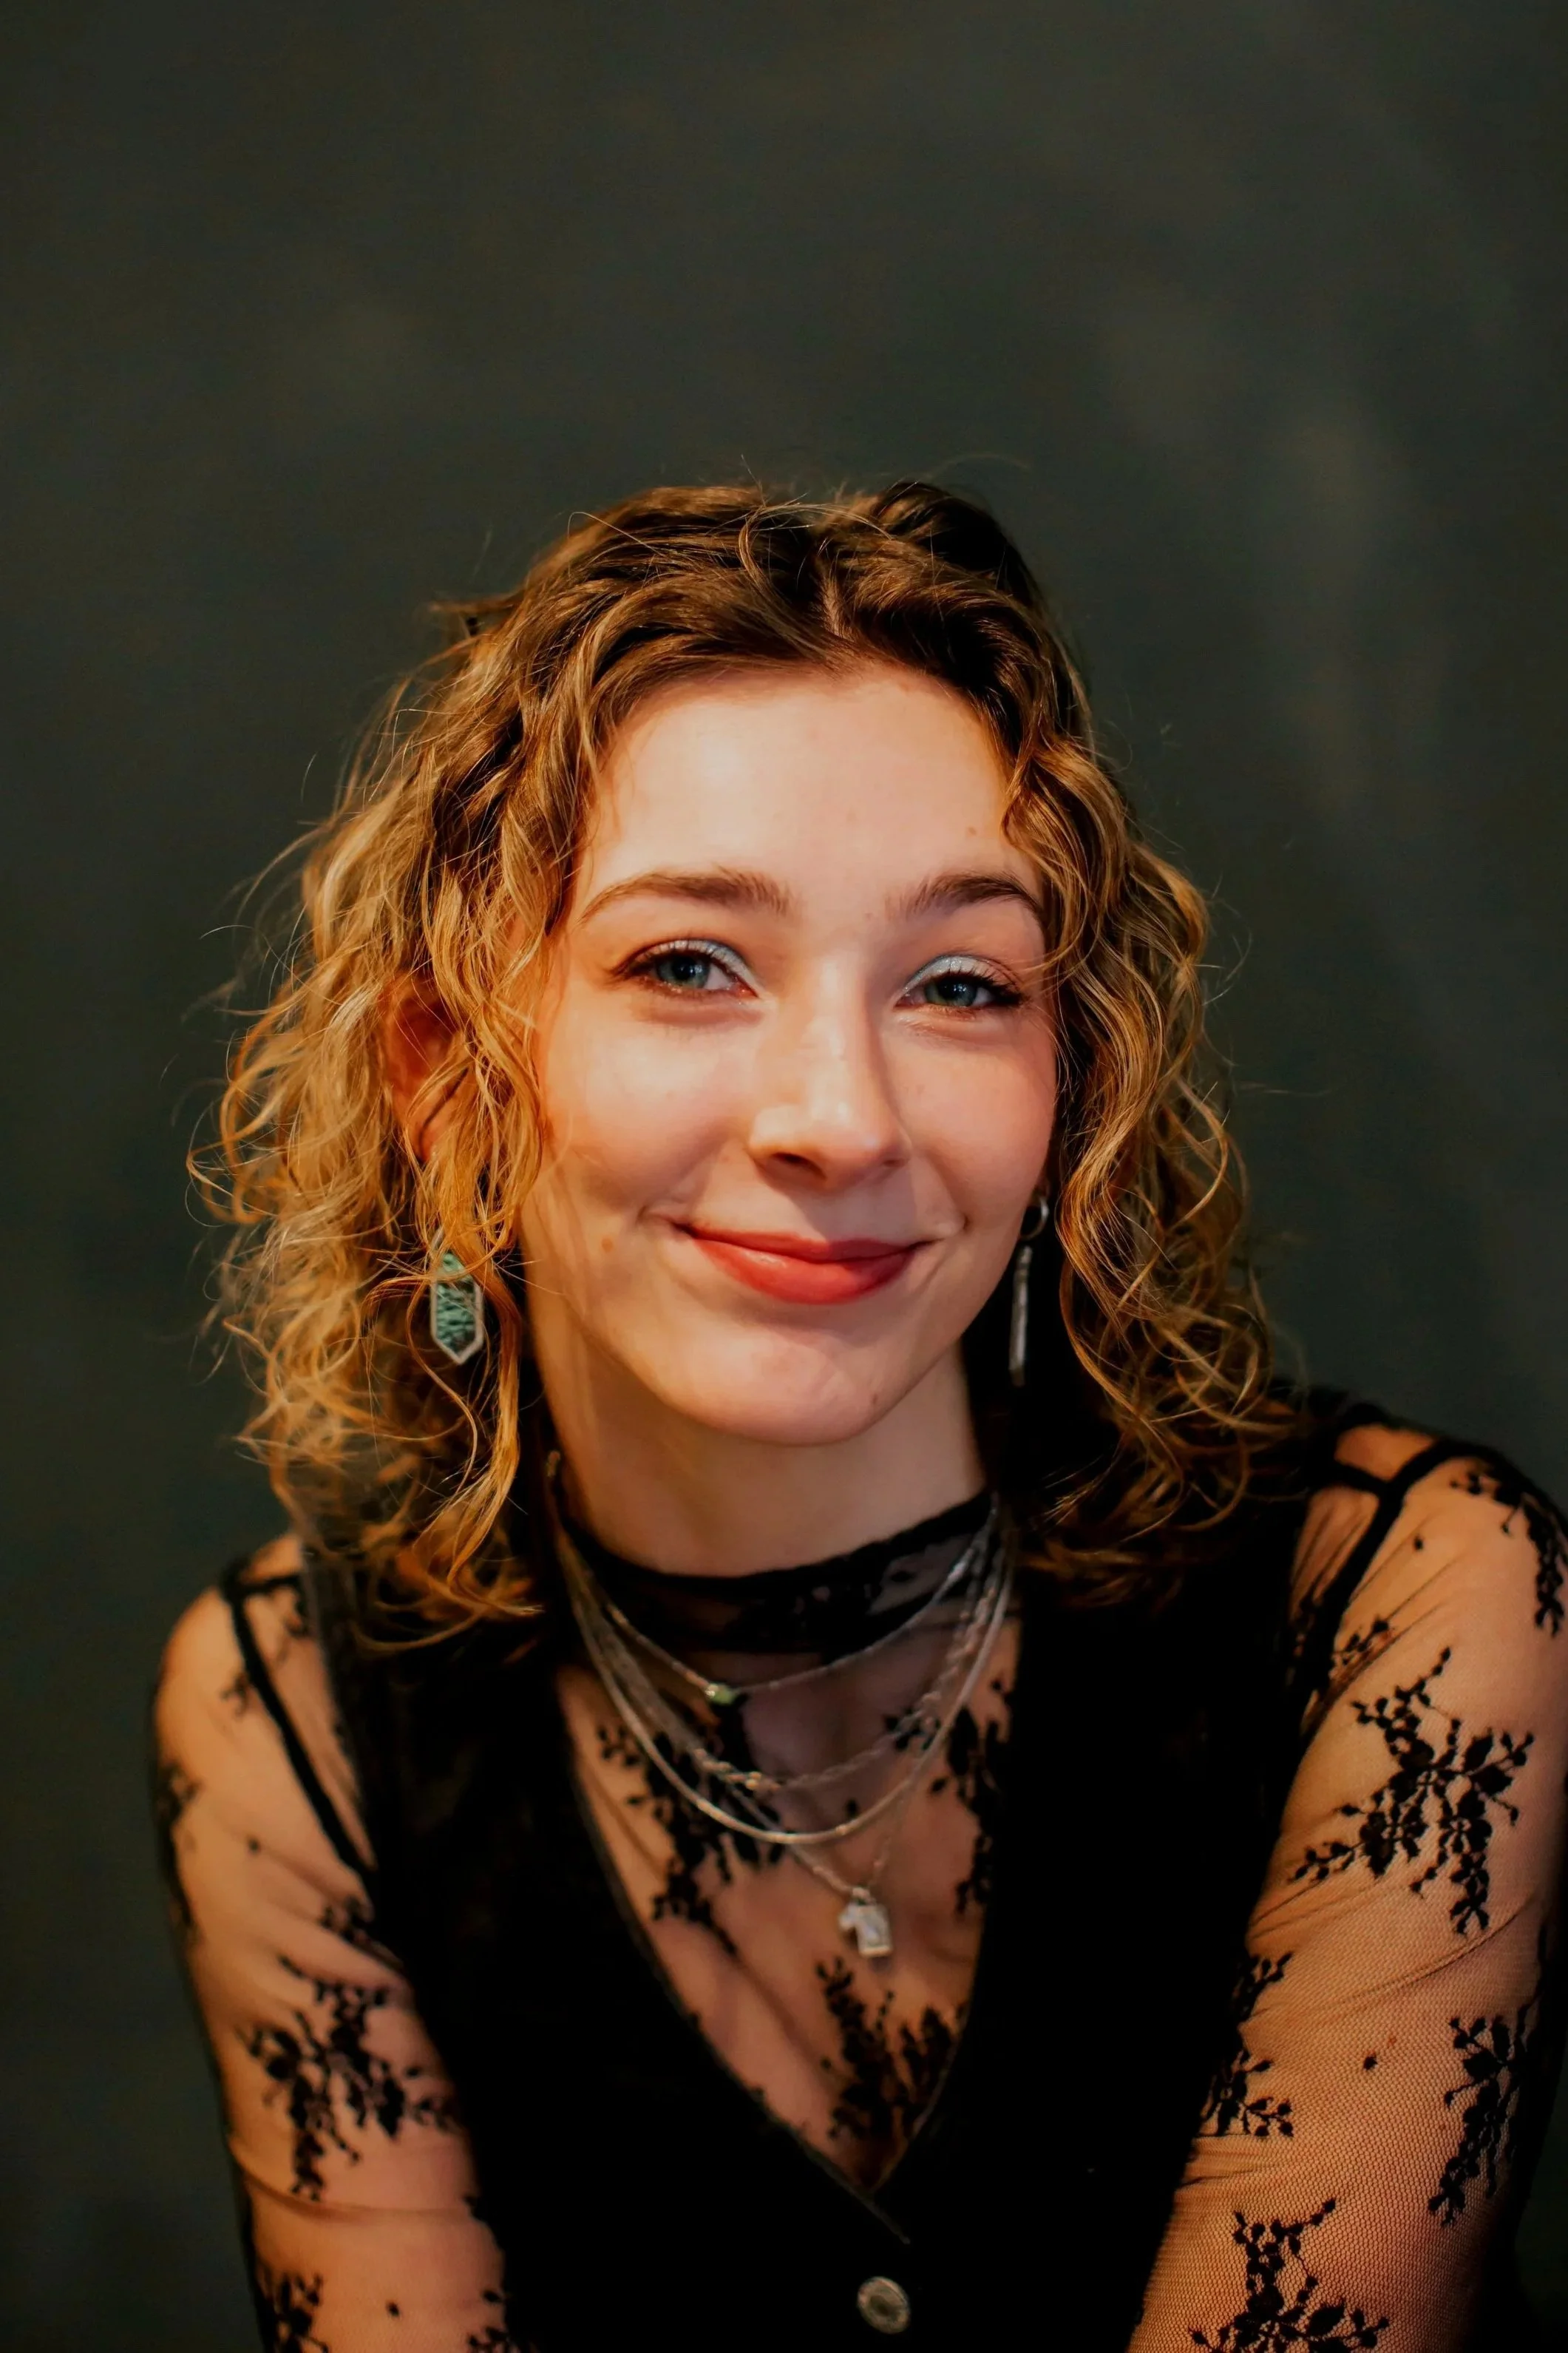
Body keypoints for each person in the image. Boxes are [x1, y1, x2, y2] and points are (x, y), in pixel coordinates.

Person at [155, 482, 1567, 2353]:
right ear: (444, 1086)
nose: (841, 1117)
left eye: (962, 985)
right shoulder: (291, 1715)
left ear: (1074, 1094)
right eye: (688, 964)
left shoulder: (1403, 1604)